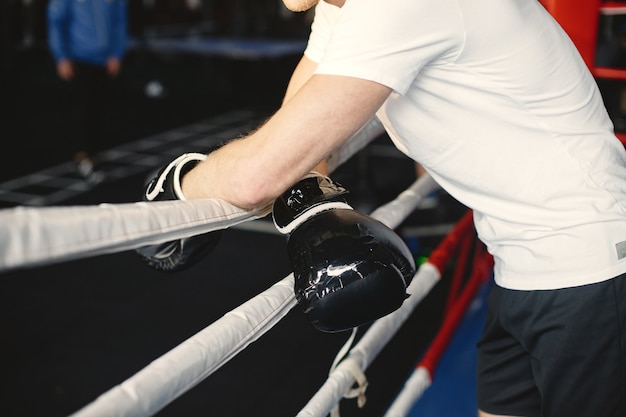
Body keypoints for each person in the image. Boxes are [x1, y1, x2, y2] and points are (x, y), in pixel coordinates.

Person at [140, 1, 626, 415]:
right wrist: (304, 183)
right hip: (522, 263)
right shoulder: (341, 7)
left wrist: (174, 190)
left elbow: (258, 176)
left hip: (592, 268)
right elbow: (302, 131)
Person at [47, 0, 128, 179]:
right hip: (79, 58)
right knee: (83, 108)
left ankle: (92, 155)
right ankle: (82, 157)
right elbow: (56, 21)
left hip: (104, 60)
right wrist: (61, 56)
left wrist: (116, 53)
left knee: (98, 109)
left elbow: (119, 21)